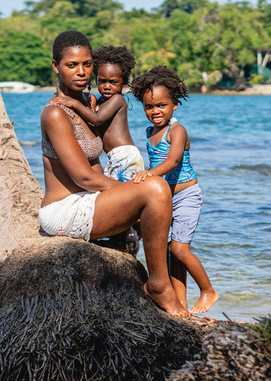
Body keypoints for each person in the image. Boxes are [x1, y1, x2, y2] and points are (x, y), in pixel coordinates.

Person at [39, 31, 189, 317]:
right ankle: (159, 286)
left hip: (90, 199)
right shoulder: (55, 114)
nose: (81, 72)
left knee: (157, 199)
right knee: (154, 188)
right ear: (56, 66)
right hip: (64, 209)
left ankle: (165, 283)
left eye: (86, 64)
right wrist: (132, 189)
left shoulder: (89, 102)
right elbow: (84, 177)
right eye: (72, 65)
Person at [130, 66, 219, 314]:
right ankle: (181, 303)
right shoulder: (150, 132)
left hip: (187, 196)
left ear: (174, 105)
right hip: (166, 198)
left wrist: (148, 175)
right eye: (149, 107)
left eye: (161, 105)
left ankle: (209, 290)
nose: (155, 111)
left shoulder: (176, 131)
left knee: (180, 249)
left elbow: (173, 161)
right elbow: (158, 165)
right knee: (170, 252)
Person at [51, 45, 144, 253]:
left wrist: (73, 104)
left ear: (123, 84)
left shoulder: (117, 100)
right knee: (116, 199)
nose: (107, 86)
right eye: (102, 81)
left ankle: (124, 238)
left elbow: (97, 118)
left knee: (123, 199)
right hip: (115, 157)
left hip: (125, 156)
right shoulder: (100, 100)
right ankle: (120, 237)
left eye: (113, 82)